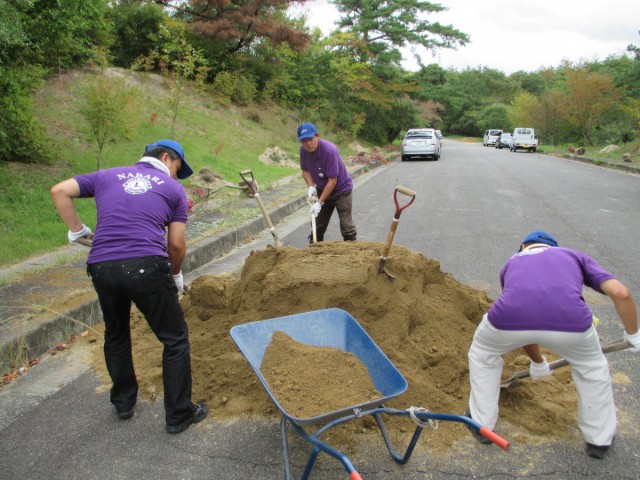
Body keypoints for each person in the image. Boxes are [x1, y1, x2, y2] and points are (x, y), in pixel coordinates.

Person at [50, 139, 208, 434]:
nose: (176, 175)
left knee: (117, 333)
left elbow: (59, 191)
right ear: (165, 157)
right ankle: (178, 415)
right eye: (177, 168)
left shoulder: (105, 176)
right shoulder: (174, 189)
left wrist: (77, 230)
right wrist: (175, 276)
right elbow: (175, 244)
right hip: (147, 265)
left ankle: (123, 402)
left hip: (102, 266)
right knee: (174, 339)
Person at [466, 231, 639, 458]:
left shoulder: (512, 262)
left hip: (506, 320)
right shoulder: (574, 256)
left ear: (523, 246)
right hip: (573, 323)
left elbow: (525, 318)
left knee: (483, 353)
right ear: (554, 248)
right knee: (592, 367)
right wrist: (633, 334)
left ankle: (482, 423)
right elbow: (621, 293)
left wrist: (538, 362)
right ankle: (599, 440)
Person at [297, 122, 357, 242]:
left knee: (346, 226)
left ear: (317, 136)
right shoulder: (303, 151)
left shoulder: (329, 150)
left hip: (341, 190)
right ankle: (315, 252)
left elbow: (332, 181)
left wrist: (319, 202)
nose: (308, 144)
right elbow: (305, 170)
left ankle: (351, 251)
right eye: (304, 141)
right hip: (322, 188)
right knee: (317, 225)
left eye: (311, 139)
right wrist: (311, 186)